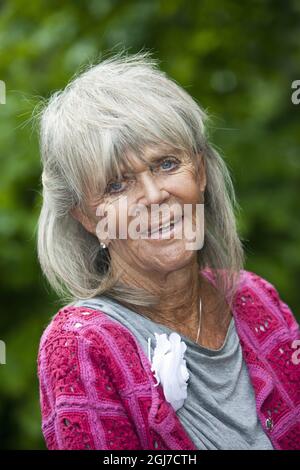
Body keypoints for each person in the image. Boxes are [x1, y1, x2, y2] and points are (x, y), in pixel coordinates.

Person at [36, 51, 300, 450]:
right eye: (117, 184)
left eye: (166, 164)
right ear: (86, 218)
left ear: (202, 172)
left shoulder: (255, 299)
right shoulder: (80, 346)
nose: (155, 195)